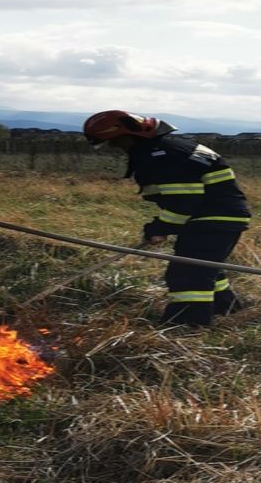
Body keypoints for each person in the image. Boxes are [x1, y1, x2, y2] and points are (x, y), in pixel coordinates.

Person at [83, 110, 251, 326]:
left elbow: (184, 202)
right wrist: (161, 227)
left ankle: (186, 327)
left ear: (130, 134)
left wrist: (159, 228)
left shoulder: (161, 157)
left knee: (187, 274)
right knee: (205, 268)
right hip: (219, 216)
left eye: (115, 143)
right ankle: (225, 310)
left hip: (212, 218)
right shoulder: (170, 148)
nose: (116, 148)